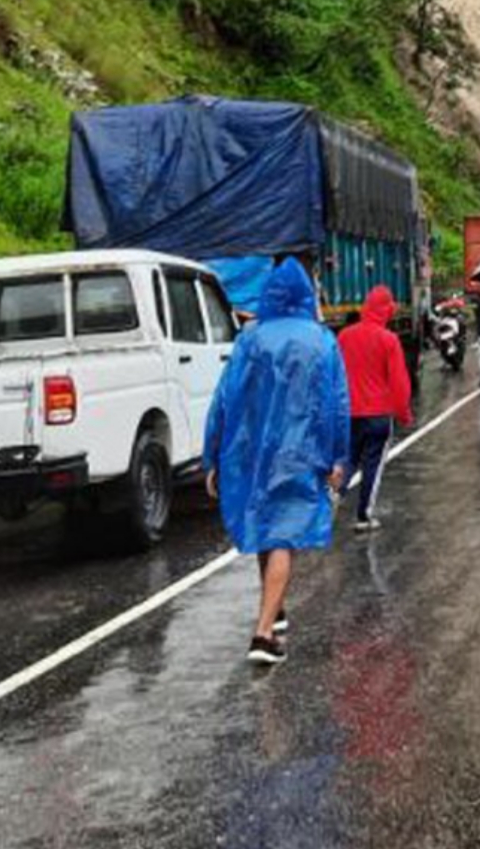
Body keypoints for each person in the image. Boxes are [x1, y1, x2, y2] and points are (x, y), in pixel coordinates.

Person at [204, 259, 350, 666]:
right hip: (300, 452)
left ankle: (275, 605)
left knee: (265, 526)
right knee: (284, 534)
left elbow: (224, 398)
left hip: (251, 451)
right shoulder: (322, 341)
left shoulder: (250, 339)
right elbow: (336, 404)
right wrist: (337, 455)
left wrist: (212, 455)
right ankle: (263, 634)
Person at [337, 286, 414, 531]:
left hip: (350, 412)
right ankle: (364, 516)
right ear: (386, 310)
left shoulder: (344, 336)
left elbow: (335, 375)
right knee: (372, 465)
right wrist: (403, 413)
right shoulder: (388, 339)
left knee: (349, 459)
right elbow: (399, 382)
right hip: (379, 415)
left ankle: (334, 495)